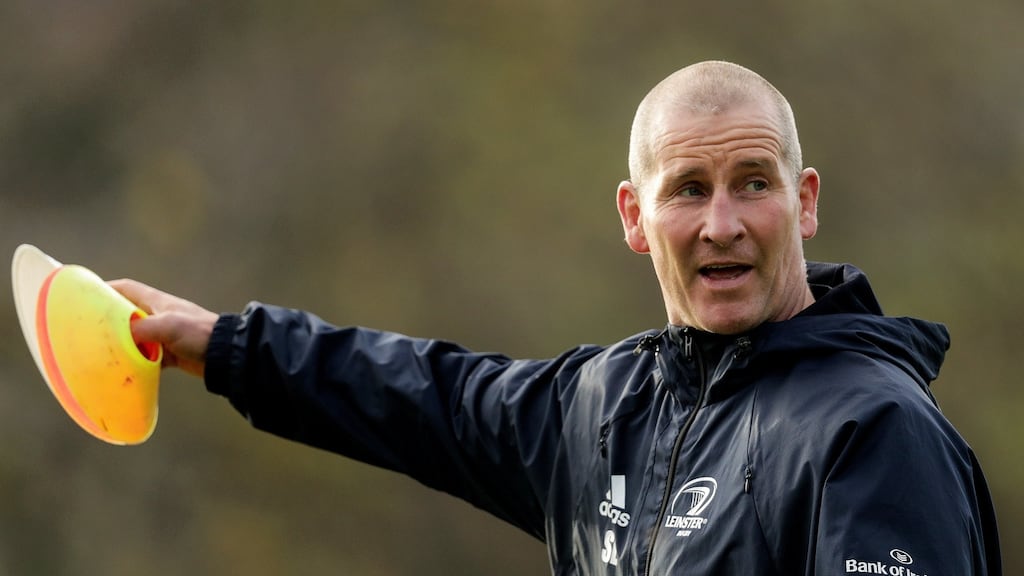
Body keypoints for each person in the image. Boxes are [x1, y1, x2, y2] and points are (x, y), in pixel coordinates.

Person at [111, 61, 1002, 575]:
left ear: (804, 202)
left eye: (753, 184)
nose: (721, 224)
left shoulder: (875, 432)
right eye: (688, 189)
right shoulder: (602, 408)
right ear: (633, 217)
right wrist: (229, 347)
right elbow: (429, 398)